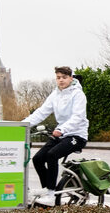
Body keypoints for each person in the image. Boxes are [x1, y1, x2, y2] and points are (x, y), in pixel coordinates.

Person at [23, 66, 89, 199]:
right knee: (38, 159)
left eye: (64, 77)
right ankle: (47, 188)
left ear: (71, 78)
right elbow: (41, 112)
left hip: (77, 135)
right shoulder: (55, 94)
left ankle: (51, 194)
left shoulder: (78, 94)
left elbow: (78, 117)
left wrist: (62, 129)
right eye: (58, 78)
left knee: (52, 155)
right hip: (62, 134)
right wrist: (23, 124)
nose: (61, 80)